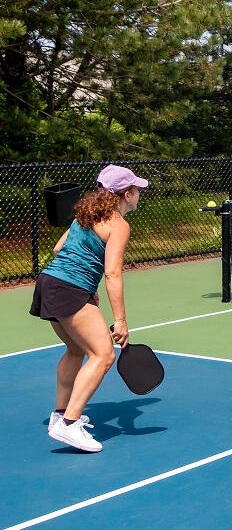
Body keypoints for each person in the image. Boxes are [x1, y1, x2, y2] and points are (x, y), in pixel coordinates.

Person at [30, 164, 148, 452]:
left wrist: (86, 287)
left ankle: (59, 415)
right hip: (68, 288)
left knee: (75, 350)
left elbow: (59, 249)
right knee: (103, 355)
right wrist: (120, 320)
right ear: (127, 194)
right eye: (136, 189)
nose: (139, 194)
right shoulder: (118, 225)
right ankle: (69, 424)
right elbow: (112, 274)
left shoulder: (85, 215)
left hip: (48, 282)